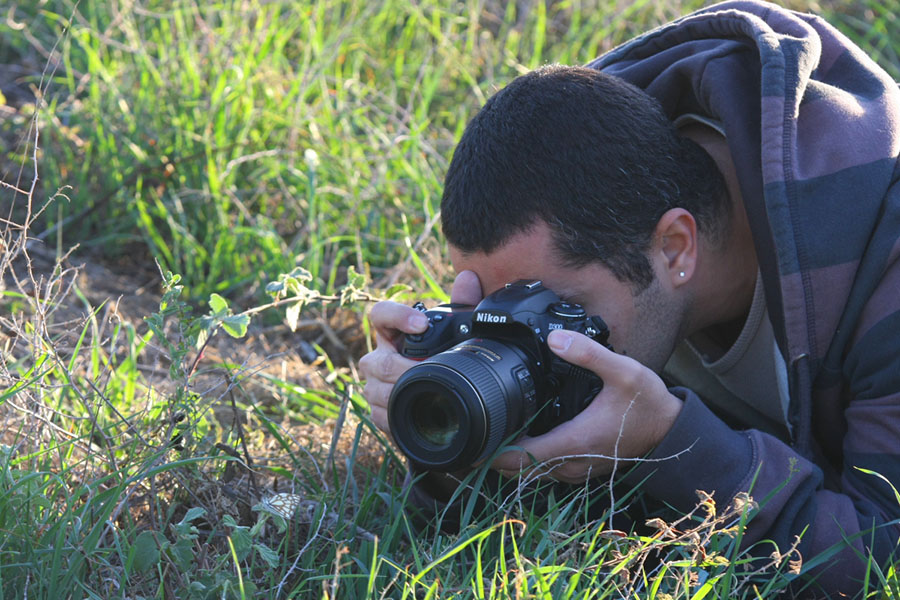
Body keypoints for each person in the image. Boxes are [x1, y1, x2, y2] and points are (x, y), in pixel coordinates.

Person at [359, 0, 900, 595]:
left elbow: (877, 561)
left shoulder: (882, 263)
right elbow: (518, 535)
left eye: (552, 309)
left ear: (675, 247)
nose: (528, 331)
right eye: (499, 305)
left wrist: (672, 446)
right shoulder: (607, 192)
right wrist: (453, 424)